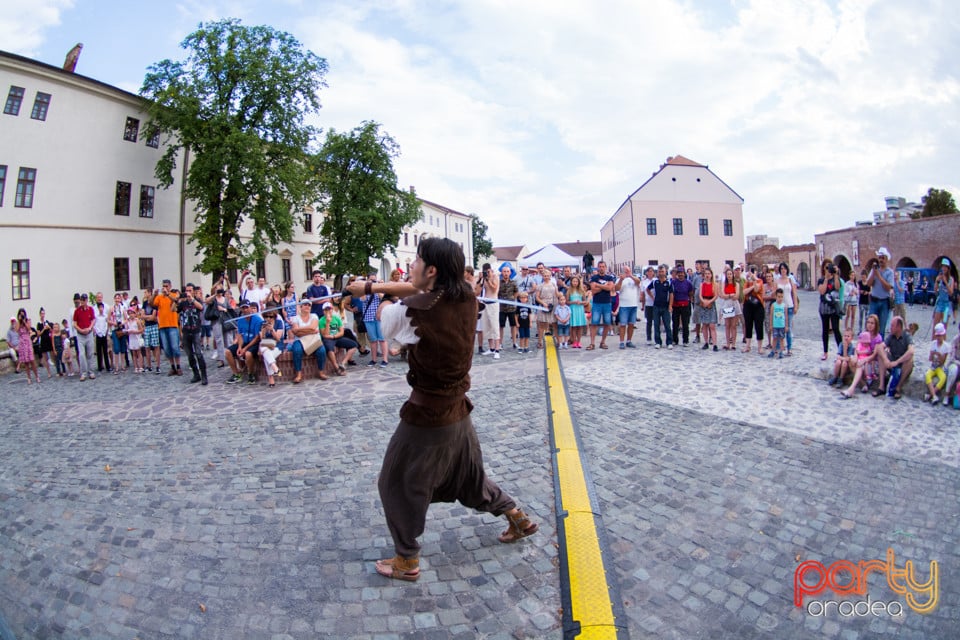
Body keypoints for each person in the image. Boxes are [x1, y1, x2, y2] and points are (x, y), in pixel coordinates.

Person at [346, 237, 538, 582]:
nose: (412, 267)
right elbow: (420, 288)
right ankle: (516, 515)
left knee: (395, 483)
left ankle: (407, 560)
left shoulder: (407, 312)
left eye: (417, 261)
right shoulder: (466, 295)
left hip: (428, 416)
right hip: (459, 412)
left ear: (431, 269)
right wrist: (371, 286)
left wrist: (370, 289)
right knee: (469, 477)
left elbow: (390, 313)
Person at [288, 298, 328, 383]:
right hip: (300, 339)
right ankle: (298, 374)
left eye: (309, 305)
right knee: (297, 350)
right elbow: (296, 333)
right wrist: (310, 331)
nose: (307, 306)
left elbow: (313, 327)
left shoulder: (314, 316)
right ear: (301, 306)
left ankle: (321, 372)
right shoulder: (295, 318)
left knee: (321, 351)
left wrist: (300, 329)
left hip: (313, 339)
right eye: (305, 304)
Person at [875, 316, 914, 399]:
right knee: (881, 355)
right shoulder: (891, 336)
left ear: (899, 327)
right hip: (892, 361)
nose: (890, 328)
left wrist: (897, 362)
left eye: (892, 326)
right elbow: (880, 347)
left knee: (910, 360)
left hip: (902, 363)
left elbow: (911, 351)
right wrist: (886, 360)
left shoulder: (907, 336)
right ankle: (881, 386)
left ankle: (898, 387)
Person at [225, 301, 263, 385]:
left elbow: (257, 338)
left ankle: (251, 374)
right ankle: (236, 374)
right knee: (228, 352)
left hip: (254, 343)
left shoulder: (257, 319)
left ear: (250, 308)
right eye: (243, 308)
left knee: (248, 354)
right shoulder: (240, 320)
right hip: (244, 342)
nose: (245, 310)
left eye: (247, 307)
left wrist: (245, 349)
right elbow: (240, 335)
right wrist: (239, 347)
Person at [178, 283, 208, 385]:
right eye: (187, 291)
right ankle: (196, 374)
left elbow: (201, 308)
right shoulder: (183, 303)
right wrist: (175, 299)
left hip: (196, 331)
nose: (188, 293)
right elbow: (174, 309)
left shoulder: (197, 301)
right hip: (186, 331)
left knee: (199, 354)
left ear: (193, 292)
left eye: (190, 291)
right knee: (190, 355)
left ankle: (204, 376)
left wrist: (192, 299)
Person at [319, 301, 358, 375]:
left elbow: (341, 332)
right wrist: (327, 323)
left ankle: (343, 363)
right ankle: (336, 367)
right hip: (328, 339)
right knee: (329, 349)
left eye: (329, 309)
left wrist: (334, 336)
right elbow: (325, 335)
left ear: (332, 310)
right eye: (326, 310)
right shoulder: (321, 321)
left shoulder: (337, 318)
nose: (328, 311)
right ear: (323, 311)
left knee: (354, 345)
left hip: (336, 337)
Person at [153, 279, 182, 376]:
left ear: (170, 286)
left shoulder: (173, 295)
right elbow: (153, 304)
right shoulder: (159, 297)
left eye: (166, 286)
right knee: (167, 348)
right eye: (163, 286)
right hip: (162, 326)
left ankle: (178, 366)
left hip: (172, 325)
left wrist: (168, 294)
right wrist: (154, 294)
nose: (164, 288)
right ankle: (172, 366)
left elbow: (176, 300)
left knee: (175, 347)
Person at [839, 331, 880, 398]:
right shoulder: (863, 336)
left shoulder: (877, 338)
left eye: (872, 323)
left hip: (870, 362)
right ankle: (863, 384)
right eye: (869, 322)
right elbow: (857, 349)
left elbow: (873, 355)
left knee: (859, 366)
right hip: (861, 359)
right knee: (852, 361)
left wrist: (864, 360)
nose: (870, 325)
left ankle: (851, 389)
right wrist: (856, 356)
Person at [817, 260, 843, 361]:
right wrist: (826, 280)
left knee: (836, 329)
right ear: (824, 269)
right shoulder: (821, 280)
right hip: (824, 308)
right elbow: (822, 291)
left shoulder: (836, 278)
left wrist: (836, 275)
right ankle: (825, 352)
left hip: (834, 307)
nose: (828, 269)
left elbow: (837, 287)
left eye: (830, 267)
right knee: (825, 330)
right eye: (826, 267)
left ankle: (841, 351)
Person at [866, 247, 895, 336]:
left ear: (886, 259)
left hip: (884, 302)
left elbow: (888, 287)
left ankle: (879, 346)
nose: (881, 260)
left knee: (881, 328)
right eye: (879, 257)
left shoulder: (890, 272)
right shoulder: (874, 270)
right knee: (871, 326)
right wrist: (874, 273)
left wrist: (878, 276)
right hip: (874, 301)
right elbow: (868, 283)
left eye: (883, 258)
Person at [587, 261, 616, 350]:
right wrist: (604, 286)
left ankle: (603, 342)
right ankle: (592, 343)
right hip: (597, 303)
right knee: (594, 323)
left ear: (605, 267)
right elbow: (593, 290)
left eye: (603, 266)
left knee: (607, 323)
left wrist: (599, 285)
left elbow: (610, 288)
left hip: (607, 303)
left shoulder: (609, 277)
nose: (601, 268)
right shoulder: (594, 277)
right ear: (598, 267)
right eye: (600, 266)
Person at [646, 264, 674, 349]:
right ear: (657, 272)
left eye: (662, 271)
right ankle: (658, 342)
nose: (661, 273)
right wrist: (652, 297)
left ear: (665, 272)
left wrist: (670, 305)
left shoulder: (669, 282)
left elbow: (672, 295)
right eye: (659, 271)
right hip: (656, 306)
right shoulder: (655, 282)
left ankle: (669, 342)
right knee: (656, 324)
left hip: (665, 306)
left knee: (667, 325)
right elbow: (647, 289)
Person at [774, 262, 798, 355]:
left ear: (787, 270)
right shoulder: (777, 281)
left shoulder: (790, 280)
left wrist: (795, 305)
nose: (783, 270)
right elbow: (775, 294)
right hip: (780, 306)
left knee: (788, 328)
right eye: (781, 269)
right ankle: (779, 346)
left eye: (784, 268)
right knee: (779, 326)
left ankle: (789, 347)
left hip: (789, 305)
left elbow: (794, 293)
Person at [923, 323, 950, 404]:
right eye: (937, 336)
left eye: (940, 336)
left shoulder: (946, 346)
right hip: (933, 366)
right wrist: (932, 354)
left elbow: (943, 362)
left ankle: (931, 395)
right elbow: (930, 359)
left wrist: (939, 355)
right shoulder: (933, 344)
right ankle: (934, 395)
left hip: (940, 367)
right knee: (928, 375)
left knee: (943, 378)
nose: (938, 338)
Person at [478, 263, 501, 358]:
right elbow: (478, 289)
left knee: (495, 327)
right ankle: (491, 348)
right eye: (485, 271)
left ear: (491, 270)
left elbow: (494, 289)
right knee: (487, 327)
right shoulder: (484, 278)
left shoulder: (495, 277)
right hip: (485, 303)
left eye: (488, 271)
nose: (486, 273)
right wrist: (481, 279)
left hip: (493, 304)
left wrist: (488, 279)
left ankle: (497, 350)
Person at [72, 293, 97, 380]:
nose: (82, 302)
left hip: (89, 333)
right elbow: (74, 323)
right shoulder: (77, 311)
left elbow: (93, 319)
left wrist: (90, 327)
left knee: (90, 353)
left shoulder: (90, 309)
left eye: (84, 300)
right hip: (81, 335)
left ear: (86, 301)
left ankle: (91, 372)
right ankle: (83, 373)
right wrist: (80, 330)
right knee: (82, 354)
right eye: (81, 300)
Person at [614, 265, 640, 349]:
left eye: (628, 270)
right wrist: (621, 279)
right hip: (624, 305)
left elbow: (638, 282)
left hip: (633, 304)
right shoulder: (619, 279)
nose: (627, 272)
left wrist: (631, 276)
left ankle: (629, 341)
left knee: (631, 324)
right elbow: (616, 288)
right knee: (623, 324)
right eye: (625, 271)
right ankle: (621, 342)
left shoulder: (634, 278)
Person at [259, 311, 285, 387]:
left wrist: (272, 330)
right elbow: (262, 339)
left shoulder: (279, 322)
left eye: (271, 317)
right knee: (264, 349)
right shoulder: (262, 324)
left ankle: (271, 379)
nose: (268, 318)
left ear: (274, 316)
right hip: (266, 344)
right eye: (266, 317)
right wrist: (263, 331)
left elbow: (278, 339)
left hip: (277, 345)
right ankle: (275, 368)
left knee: (266, 356)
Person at [741, 272, 764, 354]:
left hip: (758, 306)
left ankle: (760, 347)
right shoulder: (747, 283)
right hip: (748, 306)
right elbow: (744, 292)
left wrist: (754, 281)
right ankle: (747, 346)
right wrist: (752, 287)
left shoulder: (760, 281)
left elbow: (757, 289)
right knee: (748, 325)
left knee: (759, 325)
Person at [670, 267, 694, 347]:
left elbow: (691, 292)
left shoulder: (688, 283)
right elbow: (671, 293)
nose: (680, 274)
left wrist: (689, 301)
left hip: (685, 305)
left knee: (685, 323)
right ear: (677, 274)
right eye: (679, 273)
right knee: (675, 323)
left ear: (684, 274)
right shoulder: (673, 282)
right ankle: (675, 340)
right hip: (676, 305)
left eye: (682, 273)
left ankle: (685, 340)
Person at [932, 259, 956, 337]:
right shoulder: (939, 277)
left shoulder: (951, 279)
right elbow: (935, 291)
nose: (944, 268)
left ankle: (943, 347)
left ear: (948, 268)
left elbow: (951, 292)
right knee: (935, 327)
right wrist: (937, 281)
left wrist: (945, 282)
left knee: (944, 328)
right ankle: (933, 345)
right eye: (943, 266)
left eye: (945, 267)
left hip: (946, 306)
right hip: (939, 304)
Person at [15, 309, 40, 384]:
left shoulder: (27, 321)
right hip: (22, 342)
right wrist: (20, 321)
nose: (22, 315)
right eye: (21, 314)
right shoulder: (17, 323)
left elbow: (29, 329)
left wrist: (24, 321)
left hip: (27, 341)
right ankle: (29, 378)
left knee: (32, 360)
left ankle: (37, 376)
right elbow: (16, 330)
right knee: (26, 362)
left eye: (23, 314)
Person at [535, 270, 558, 350]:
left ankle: (558, 341)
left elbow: (556, 294)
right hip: (543, 305)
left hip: (553, 304)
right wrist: (543, 303)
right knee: (542, 325)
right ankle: (540, 342)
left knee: (554, 324)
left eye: (548, 275)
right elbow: (537, 297)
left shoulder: (553, 284)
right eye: (545, 275)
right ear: (543, 276)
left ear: (550, 276)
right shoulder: (540, 286)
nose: (546, 277)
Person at [498, 264, 519, 350]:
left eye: (507, 271)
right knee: (501, 326)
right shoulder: (499, 282)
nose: (506, 273)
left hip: (511, 308)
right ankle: (500, 343)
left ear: (510, 273)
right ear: (502, 273)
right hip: (502, 308)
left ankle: (514, 342)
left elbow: (516, 292)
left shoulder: (513, 282)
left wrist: (513, 298)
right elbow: (497, 293)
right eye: (504, 271)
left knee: (513, 326)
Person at [720, 267, 740, 351]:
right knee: (727, 325)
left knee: (733, 325)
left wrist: (731, 295)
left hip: (734, 304)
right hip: (727, 304)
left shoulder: (736, 284)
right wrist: (729, 295)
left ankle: (734, 344)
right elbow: (723, 295)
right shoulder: (724, 284)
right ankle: (728, 343)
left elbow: (737, 295)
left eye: (730, 274)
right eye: (728, 274)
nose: (729, 276)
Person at [698, 267, 719, 351]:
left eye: (708, 274)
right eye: (706, 274)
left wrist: (709, 301)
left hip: (711, 304)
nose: (707, 275)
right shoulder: (702, 284)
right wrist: (703, 301)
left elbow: (716, 295)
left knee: (712, 325)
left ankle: (714, 344)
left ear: (711, 275)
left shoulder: (715, 284)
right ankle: (706, 342)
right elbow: (700, 295)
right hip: (703, 304)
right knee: (705, 325)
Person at [566, 276, 588, 349]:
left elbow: (585, 301)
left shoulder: (581, 291)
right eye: (573, 281)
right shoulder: (569, 291)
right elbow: (567, 301)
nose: (575, 283)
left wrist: (581, 302)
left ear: (578, 282)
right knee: (574, 326)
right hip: (573, 309)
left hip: (580, 309)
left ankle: (579, 341)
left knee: (580, 326)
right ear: (571, 282)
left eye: (576, 281)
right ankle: (574, 341)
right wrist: (574, 302)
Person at [34, 307, 55, 378]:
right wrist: (43, 329)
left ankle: (56, 368)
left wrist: (49, 327)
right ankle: (48, 372)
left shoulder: (47, 322)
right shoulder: (39, 324)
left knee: (53, 355)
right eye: (41, 313)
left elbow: (52, 330)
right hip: (43, 341)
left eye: (43, 313)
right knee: (45, 358)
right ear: (40, 314)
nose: (43, 315)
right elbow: (38, 334)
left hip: (48, 340)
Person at [942, 328, 960, 408]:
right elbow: (952, 357)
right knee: (953, 371)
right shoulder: (955, 340)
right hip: (955, 362)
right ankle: (947, 394)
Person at [125, 307, 145, 373]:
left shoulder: (137, 321)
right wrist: (128, 332)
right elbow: (127, 330)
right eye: (129, 313)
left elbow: (141, 330)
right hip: (131, 338)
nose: (131, 315)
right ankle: (136, 367)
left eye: (132, 313)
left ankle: (141, 366)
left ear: (134, 314)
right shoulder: (128, 321)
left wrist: (135, 331)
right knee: (133, 353)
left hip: (137, 337)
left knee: (139, 352)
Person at [768, 288, 787, 359]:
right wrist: (770, 325)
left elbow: (786, 316)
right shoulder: (773, 305)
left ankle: (781, 352)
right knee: (775, 338)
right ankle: (773, 350)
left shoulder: (784, 306)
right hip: (775, 325)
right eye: (778, 297)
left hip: (782, 325)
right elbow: (771, 315)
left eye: (781, 297)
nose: (780, 298)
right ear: (776, 296)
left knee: (782, 338)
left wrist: (786, 325)